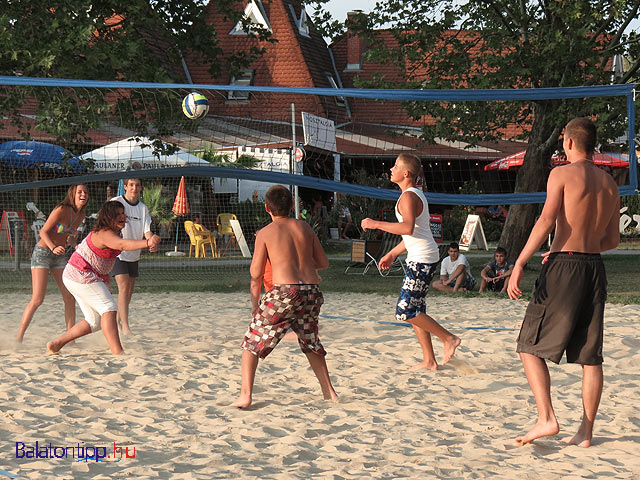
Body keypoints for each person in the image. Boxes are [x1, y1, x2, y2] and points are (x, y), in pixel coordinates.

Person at [507, 117, 620, 447]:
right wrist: (576, 249)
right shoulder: (610, 183)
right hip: (594, 268)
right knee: (590, 356)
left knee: (528, 344)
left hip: (565, 268)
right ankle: (585, 432)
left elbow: (545, 220)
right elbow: (611, 239)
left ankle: (547, 418)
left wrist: (520, 262)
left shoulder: (561, 173)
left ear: (569, 142)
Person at [233, 185, 337, 408]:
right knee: (311, 342)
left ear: (266, 208)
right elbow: (324, 263)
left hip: (284, 292)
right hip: (311, 292)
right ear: (292, 206)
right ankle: (329, 393)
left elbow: (256, 274)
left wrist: (254, 305)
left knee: (251, 343)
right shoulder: (305, 227)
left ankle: (245, 395)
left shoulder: (265, 233)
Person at [361, 154, 460, 370]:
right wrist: (393, 253)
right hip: (422, 256)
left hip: (422, 260)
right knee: (417, 308)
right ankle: (429, 360)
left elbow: (406, 228)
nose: (391, 169)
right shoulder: (413, 194)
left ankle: (448, 338)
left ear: (406, 173)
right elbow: (415, 233)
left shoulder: (408, 197)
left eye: (396, 166)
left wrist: (375, 224)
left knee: (405, 311)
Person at [47, 201, 161, 355]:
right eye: (118, 214)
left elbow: (102, 261)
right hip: (80, 274)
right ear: (108, 218)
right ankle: (117, 352)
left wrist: (104, 281)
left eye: (123, 213)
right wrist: (147, 242)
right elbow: (122, 245)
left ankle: (57, 343)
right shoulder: (104, 233)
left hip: (78, 275)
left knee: (95, 322)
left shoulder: (113, 232)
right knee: (109, 308)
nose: (123, 216)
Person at [17, 184, 89, 342]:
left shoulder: (81, 215)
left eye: (85, 192)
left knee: (69, 297)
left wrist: (76, 246)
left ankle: (70, 338)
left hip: (59, 255)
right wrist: (53, 246)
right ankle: (19, 337)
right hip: (43, 252)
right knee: (38, 298)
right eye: (80, 192)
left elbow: (68, 236)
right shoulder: (62, 209)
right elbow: (44, 231)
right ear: (73, 194)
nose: (83, 194)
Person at [110, 178, 155, 335]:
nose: (134, 188)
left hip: (134, 253)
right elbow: (106, 223)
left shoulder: (142, 208)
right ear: (125, 186)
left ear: (141, 187)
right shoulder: (116, 202)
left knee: (128, 291)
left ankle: (116, 323)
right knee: (123, 288)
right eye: (131, 185)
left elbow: (147, 231)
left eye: (137, 185)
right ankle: (126, 327)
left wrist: (151, 241)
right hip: (118, 252)